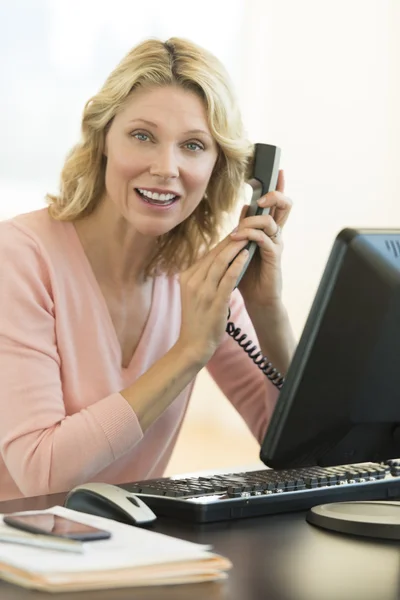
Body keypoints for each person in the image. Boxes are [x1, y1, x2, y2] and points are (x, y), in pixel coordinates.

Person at [0, 37, 296, 501]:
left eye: (194, 145)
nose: (166, 167)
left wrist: (267, 309)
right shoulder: (18, 257)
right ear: (103, 141)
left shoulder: (198, 278)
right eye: (142, 136)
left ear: (220, 167)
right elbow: (42, 474)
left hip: (131, 549)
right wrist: (188, 351)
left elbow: (299, 449)